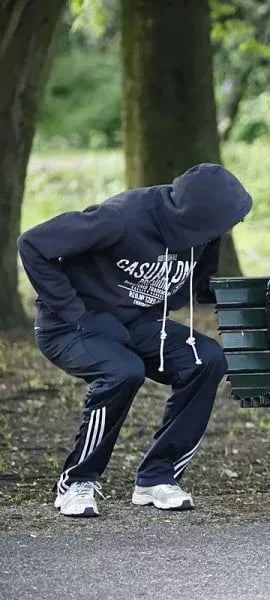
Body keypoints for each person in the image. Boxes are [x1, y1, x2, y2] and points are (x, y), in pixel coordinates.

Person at [17, 163, 252, 517]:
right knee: (123, 371)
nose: (231, 228)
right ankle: (77, 481)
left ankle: (158, 478)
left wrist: (170, 303)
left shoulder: (203, 235)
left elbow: (197, 279)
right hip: (67, 326)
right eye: (226, 221)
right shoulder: (121, 218)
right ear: (195, 216)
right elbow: (32, 244)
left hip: (137, 324)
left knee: (206, 359)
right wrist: (76, 313)